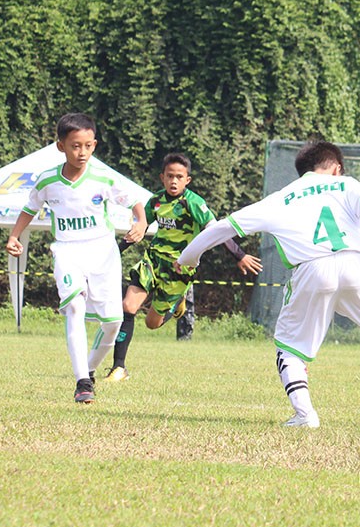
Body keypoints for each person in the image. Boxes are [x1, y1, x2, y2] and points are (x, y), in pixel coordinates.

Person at [177, 140, 360, 428]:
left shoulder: (281, 198)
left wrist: (188, 258)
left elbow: (225, 226)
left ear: (304, 171)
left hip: (313, 269)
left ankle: (305, 415)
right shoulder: (346, 185)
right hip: (358, 266)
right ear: (336, 168)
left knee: (289, 347)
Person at [5, 113, 147, 404]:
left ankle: (89, 370)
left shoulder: (103, 177)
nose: (82, 152)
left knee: (113, 324)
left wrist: (141, 222)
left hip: (103, 253)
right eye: (75, 146)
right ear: (61, 146)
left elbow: (134, 202)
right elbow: (30, 208)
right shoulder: (48, 181)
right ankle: (82, 382)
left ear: (94, 145)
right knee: (74, 307)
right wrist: (14, 236)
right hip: (67, 251)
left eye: (88, 145)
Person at [104, 153, 263, 382]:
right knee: (128, 306)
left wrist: (239, 255)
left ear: (187, 180)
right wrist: (113, 253)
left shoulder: (194, 203)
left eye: (179, 177)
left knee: (151, 324)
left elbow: (216, 231)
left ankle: (177, 303)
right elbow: (139, 228)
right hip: (153, 261)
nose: (174, 181)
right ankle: (119, 367)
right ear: (162, 177)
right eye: (170, 176)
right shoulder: (155, 201)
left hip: (179, 269)